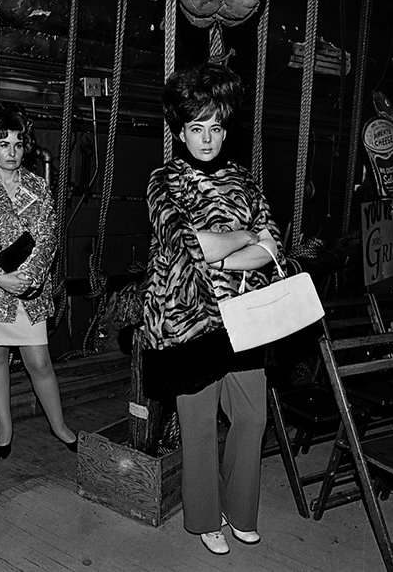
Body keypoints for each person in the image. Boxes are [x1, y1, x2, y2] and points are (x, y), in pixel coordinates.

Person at [142, 63, 285, 555]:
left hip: (245, 319)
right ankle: (204, 518)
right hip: (188, 321)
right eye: (196, 128)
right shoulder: (164, 183)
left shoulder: (245, 181)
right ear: (180, 132)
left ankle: (239, 509)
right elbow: (185, 245)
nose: (207, 139)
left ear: (226, 129)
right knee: (199, 427)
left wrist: (236, 244)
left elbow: (273, 248)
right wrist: (244, 236)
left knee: (252, 419)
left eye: (216, 128)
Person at [0, 100, 77, 459]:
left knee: (39, 361)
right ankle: (4, 428)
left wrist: (28, 276)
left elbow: (48, 237)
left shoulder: (38, 188)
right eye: (3, 143)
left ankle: (59, 425)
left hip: (28, 288)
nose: (11, 151)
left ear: (26, 146)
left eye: (18, 144)